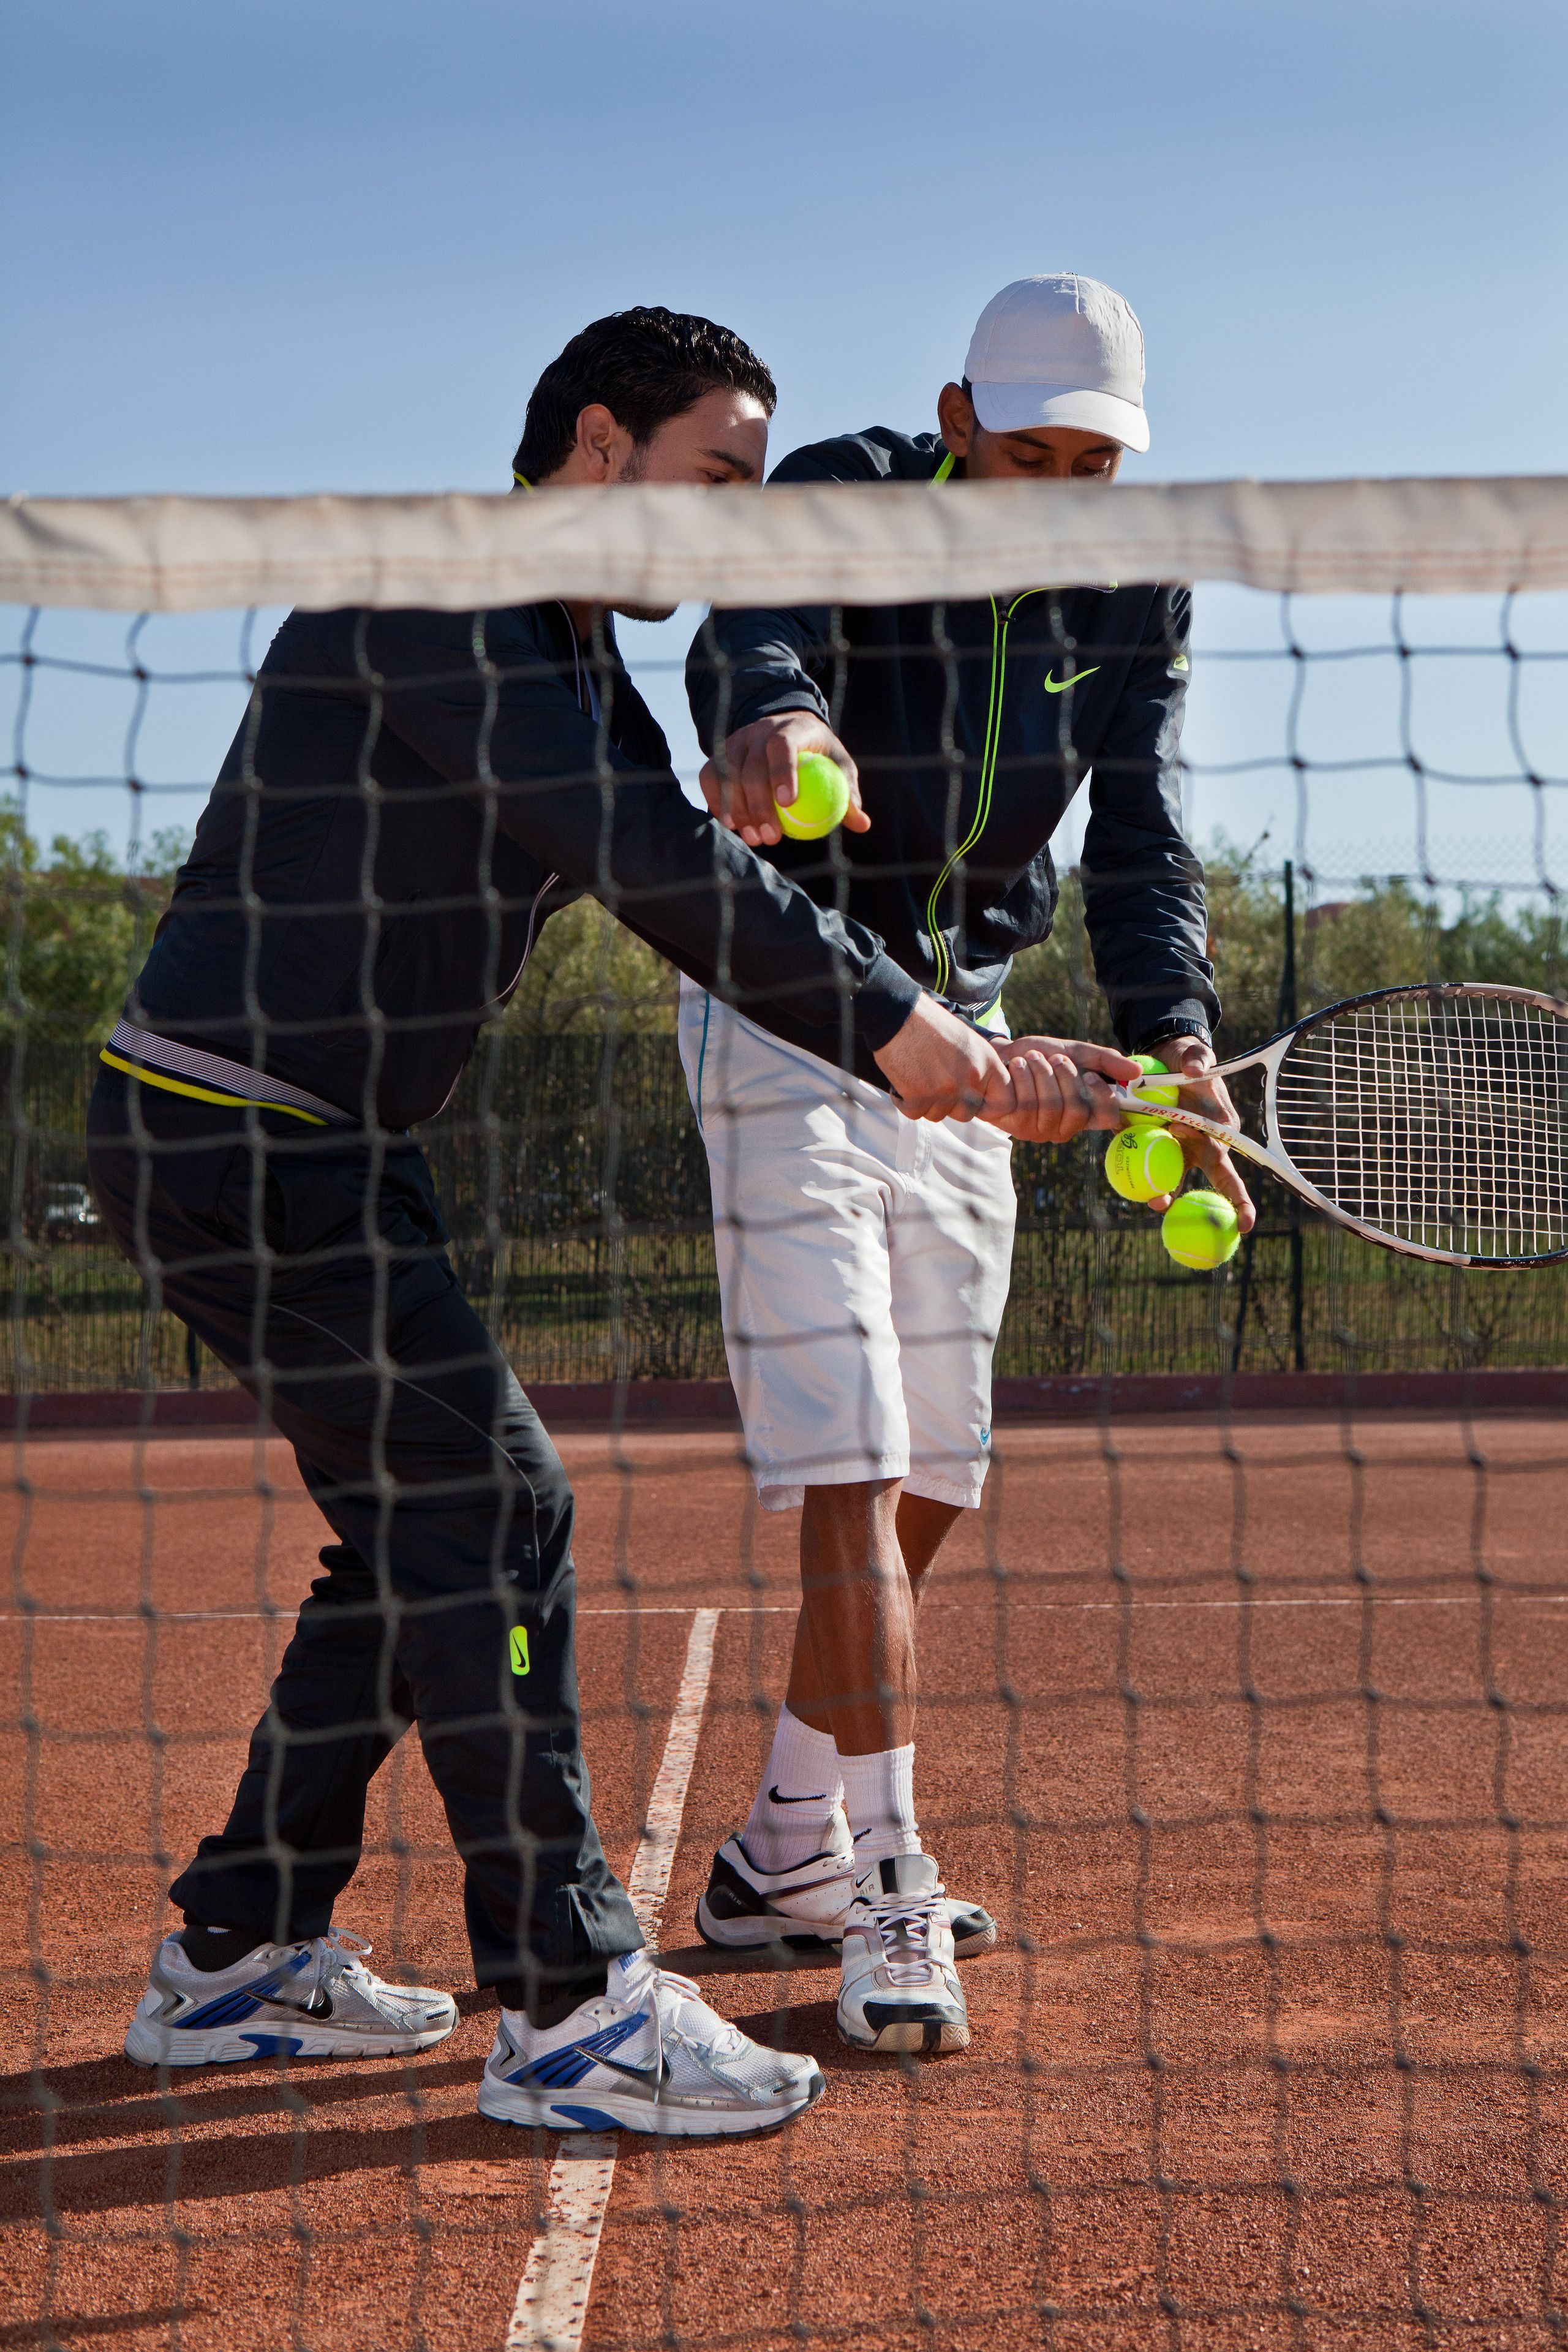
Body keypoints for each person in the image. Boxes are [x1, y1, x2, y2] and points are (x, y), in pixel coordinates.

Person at [95, 307, 1009, 2138]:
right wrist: (908, 1034)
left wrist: (962, 1034)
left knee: (414, 1539)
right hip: (229, 1135)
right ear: (600, 447)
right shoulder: (442, 591)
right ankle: (576, 2002)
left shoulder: (574, 663)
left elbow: (697, 867)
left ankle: (238, 1953)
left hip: (325, 1147)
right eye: (720, 479)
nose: (740, 524)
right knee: (499, 1503)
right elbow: (648, 862)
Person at [682, 274, 1256, 2054]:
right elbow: (747, 641)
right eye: (1027, 450)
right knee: (853, 1456)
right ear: (952, 420)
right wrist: (782, 723)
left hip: (976, 1034)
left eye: (1093, 464)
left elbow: (1144, 842)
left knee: (939, 1470)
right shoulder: (845, 495)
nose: (1058, 489)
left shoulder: (1134, 589)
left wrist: (1177, 1047)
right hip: (792, 1001)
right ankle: (888, 1878)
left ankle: (783, 1843)